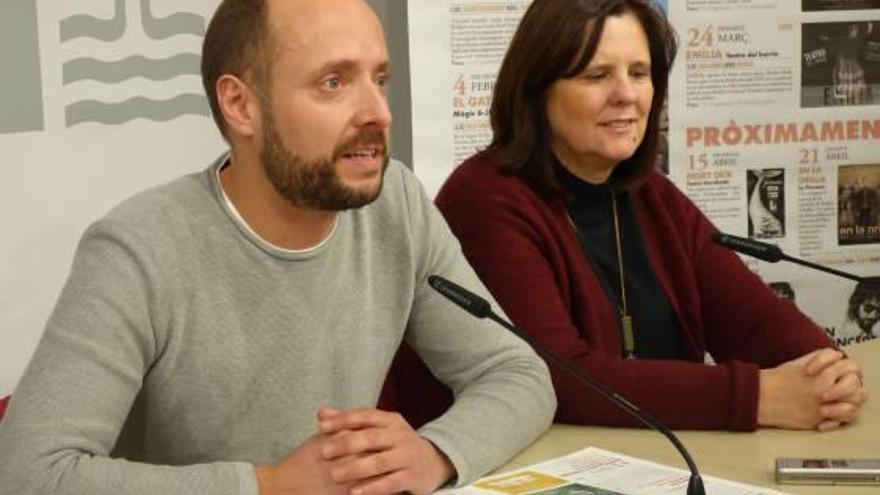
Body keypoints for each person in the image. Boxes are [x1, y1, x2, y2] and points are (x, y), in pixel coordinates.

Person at [0, 1, 555, 494]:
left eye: (379, 79)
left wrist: (434, 453)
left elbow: (519, 375)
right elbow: (29, 472)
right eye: (333, 83)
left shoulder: (398, 206)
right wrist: (266, 486)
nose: (378, 114)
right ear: (241, 105)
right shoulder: (138, 249)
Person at [432, 0, 867, 431]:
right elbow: (558, 378)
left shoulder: (649, 194)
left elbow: (752, 318)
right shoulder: (484, 199)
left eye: (639, 74)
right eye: (597, 75)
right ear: (536, 90)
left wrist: (825, 372)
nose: (626, 95)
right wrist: (756, 398)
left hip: (657, 462)